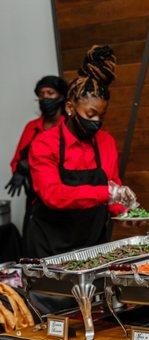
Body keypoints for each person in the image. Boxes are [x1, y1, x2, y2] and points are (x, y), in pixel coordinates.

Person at [26, 45, 137, 258]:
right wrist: (107, 194)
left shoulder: (105, 141)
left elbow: (112, 185)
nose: (96, 122)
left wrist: (125, 210)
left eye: (101, 116)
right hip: (49, 246)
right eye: (90, 114)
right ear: (69, 107)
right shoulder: (44, 144)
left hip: (92, 245)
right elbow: (53, 195)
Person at [5, 76, 67, 238]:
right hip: (35, 202)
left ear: (61, 97)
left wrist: (30, 164)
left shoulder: (68, 126)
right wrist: (19, 170)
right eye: (41, 94)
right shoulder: (32, 127)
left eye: (50, 93)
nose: (45, 97)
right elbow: (17, 160)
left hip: (63, 199)